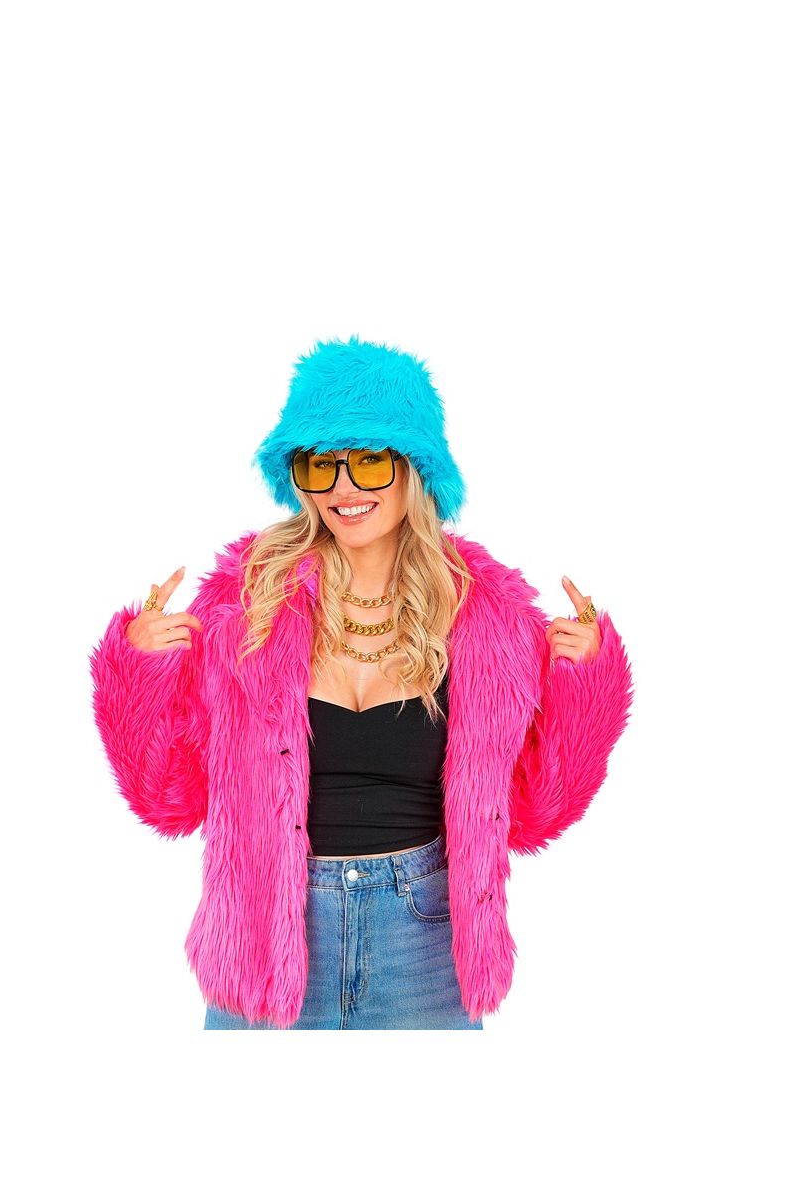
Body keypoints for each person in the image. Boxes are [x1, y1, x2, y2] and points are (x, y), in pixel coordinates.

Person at [89, 335, 634, 1029]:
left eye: (370, 461)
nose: (344, 489)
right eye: (322, 465)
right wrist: (140, 674)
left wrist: (584, 686)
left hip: (425, 942)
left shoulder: (487, 617)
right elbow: (166, 800)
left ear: (416, 469)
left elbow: (534, 814)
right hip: (265, 940)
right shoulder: (244, 604)